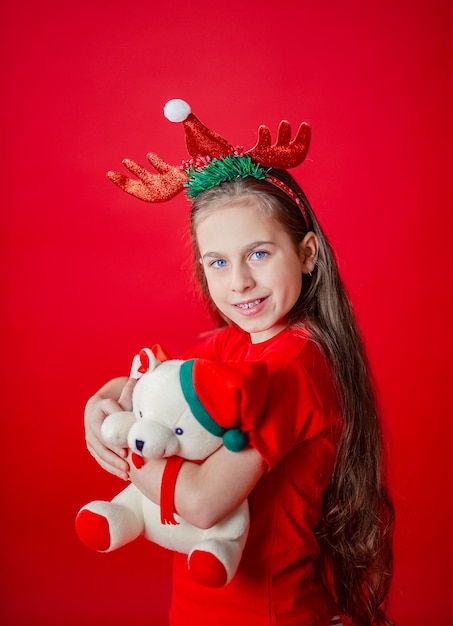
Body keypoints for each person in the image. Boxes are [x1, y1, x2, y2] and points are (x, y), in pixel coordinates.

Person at [84, 100, 394, 626]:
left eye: (259, 254)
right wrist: (102, 405)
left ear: (308, 254)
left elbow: (203, 504)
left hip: (267, 612)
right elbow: (152, 386)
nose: (239, 282)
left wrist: (129, 445)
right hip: (201, 606)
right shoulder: (233, 344)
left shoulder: (295, 364)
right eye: (219, 262)